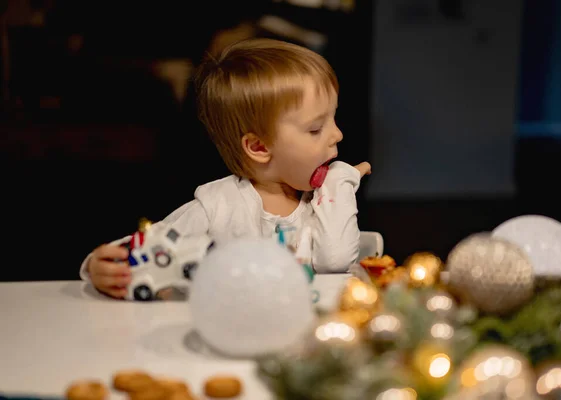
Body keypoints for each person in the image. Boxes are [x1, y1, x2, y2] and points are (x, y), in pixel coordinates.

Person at [80, 38, 371, 299]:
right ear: (259, 147)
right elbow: (150, 247)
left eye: (334, 118)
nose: (337, 134)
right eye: (316, 128)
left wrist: (339, 182)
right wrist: (101, 267)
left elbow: (334, 260)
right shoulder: (217, 206)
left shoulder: (322, 203)